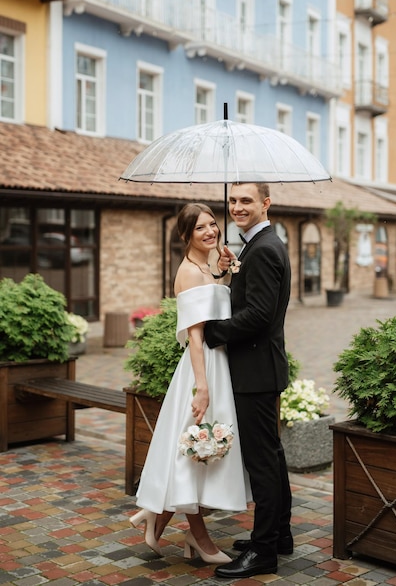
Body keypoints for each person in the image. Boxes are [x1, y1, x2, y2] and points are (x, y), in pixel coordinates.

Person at [129, 202, 251, 564]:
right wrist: (202, 387)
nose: (211, 232)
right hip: (205, 367)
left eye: (213, 224)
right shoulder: (189, 272)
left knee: (197, 452)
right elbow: (196, 336)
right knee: (194, 451)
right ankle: (199, 540)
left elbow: (214, 308)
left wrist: (225, 274)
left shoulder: (205, 268)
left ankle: (156, 515)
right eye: (201, 228)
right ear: (186, 235)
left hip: (218, 363)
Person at [204, 182, 293, 579]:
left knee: (263, 462)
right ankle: (279, 535)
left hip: (256, 371)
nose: (237, 207)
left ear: (265, 204)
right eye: (233, 201)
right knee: (271, 456)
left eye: (246, 201)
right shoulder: (257, 246)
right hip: (262, 368)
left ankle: (264, 551)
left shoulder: (265, 249)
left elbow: (258, 315)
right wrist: (229, 268)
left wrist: (214, 331)